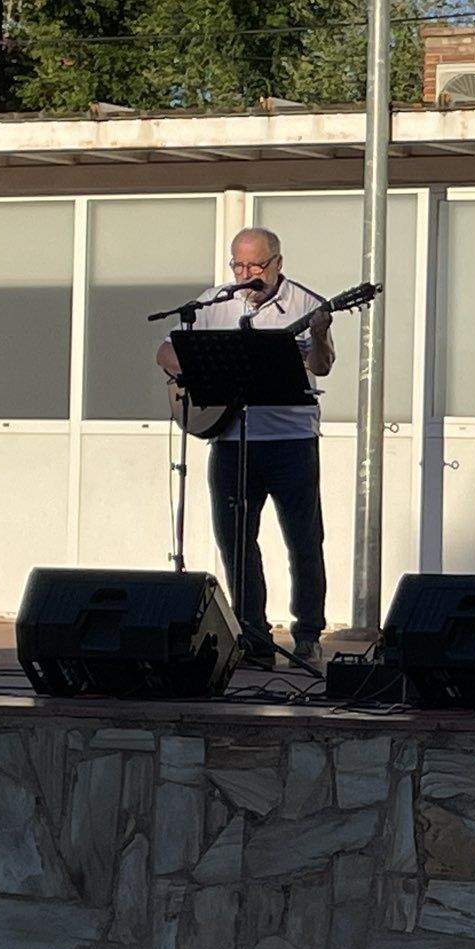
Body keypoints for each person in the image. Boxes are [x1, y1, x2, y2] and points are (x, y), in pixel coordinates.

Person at [155, 226, 333, 667]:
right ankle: (253, 636)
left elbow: (322, 366)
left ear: (278, 263)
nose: (248, 274)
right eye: (239, 265)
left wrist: (321, 334)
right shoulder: (215, 302)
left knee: (304, 539)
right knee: (235, 542)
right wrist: (194, 373)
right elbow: (166, 350)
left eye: (257, 265)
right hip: (232, 439)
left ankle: (308, 634)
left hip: (290, 439)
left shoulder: (306, 304)